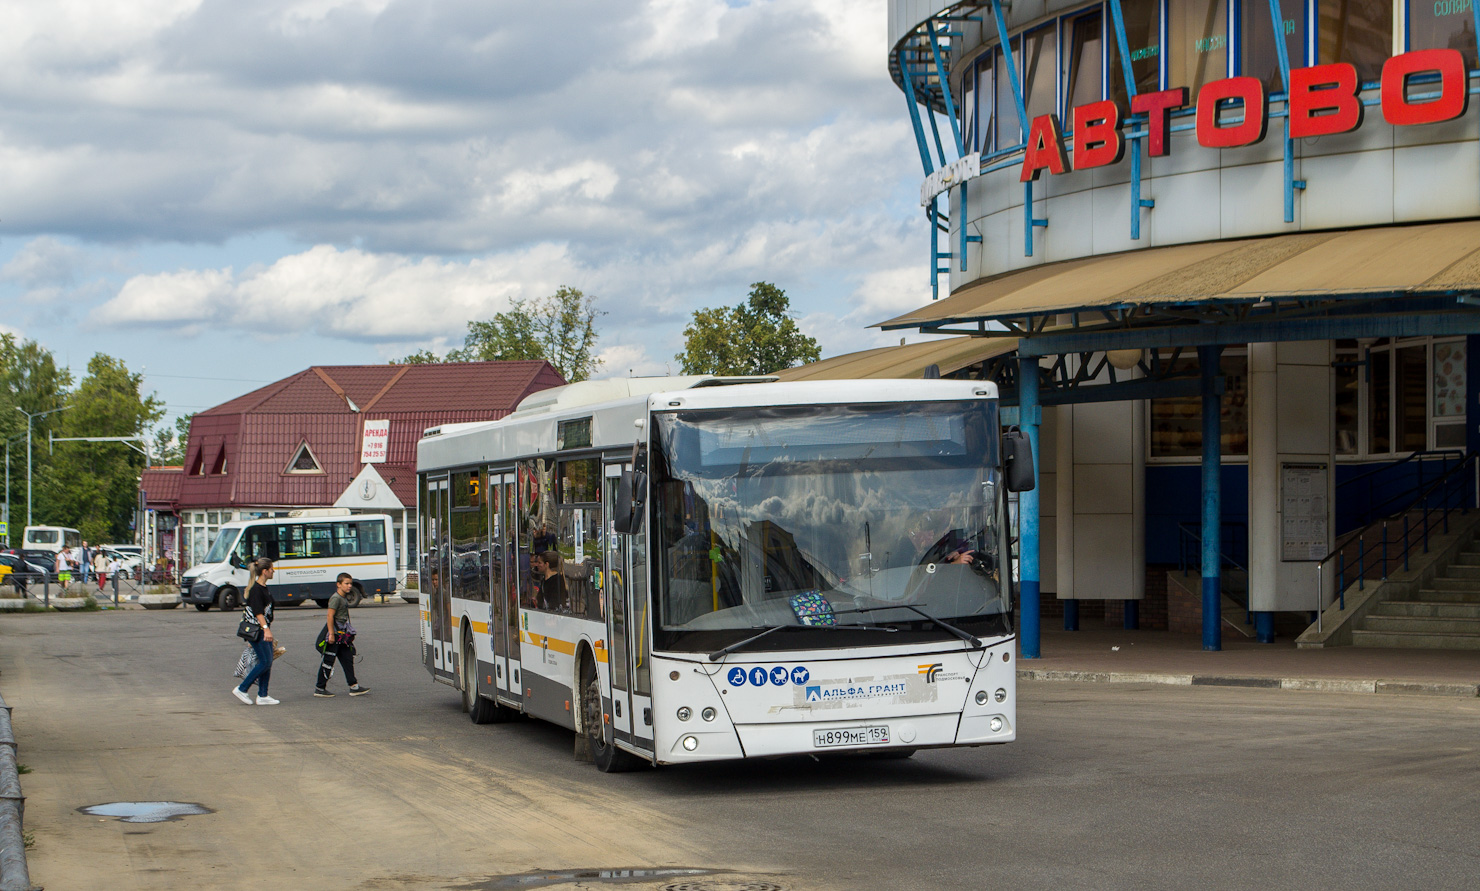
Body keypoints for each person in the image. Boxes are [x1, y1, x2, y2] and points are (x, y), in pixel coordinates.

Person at [232, 558, 280, 706]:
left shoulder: (262, 588)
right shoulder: (256, 590)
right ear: (265, 571)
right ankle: (242, 688)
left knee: (267, 662)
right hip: (258, 631)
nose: (273, 571)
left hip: (262, 630)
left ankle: (263, 695)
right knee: (265, 662)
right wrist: (266, 630)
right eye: (271, 569)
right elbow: (258, 612)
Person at [314, 573, 369, 698]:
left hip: (342, 635)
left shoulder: (343, 598)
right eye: (346, 583)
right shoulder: (336, 598)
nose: (349, 586)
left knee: (347, 659)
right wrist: (331, 634)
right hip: (335, 634)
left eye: (350, 584)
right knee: (328, 661)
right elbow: (330, 616)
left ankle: (354, 686)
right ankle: (320, 688)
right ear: (338, 584)